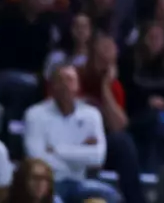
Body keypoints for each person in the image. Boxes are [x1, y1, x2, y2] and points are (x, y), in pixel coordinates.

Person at [23, 65, 117, 203]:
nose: (65, 85)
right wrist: (80, 155)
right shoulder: (35, 114)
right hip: (50, 183)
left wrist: (57, 150)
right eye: (60, 80)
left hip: (80, 182)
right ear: (52, 86)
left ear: (78, 86)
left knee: (111, 195)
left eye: (70, 80)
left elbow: (98, 157)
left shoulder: (91, 115)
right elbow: (37, 159)